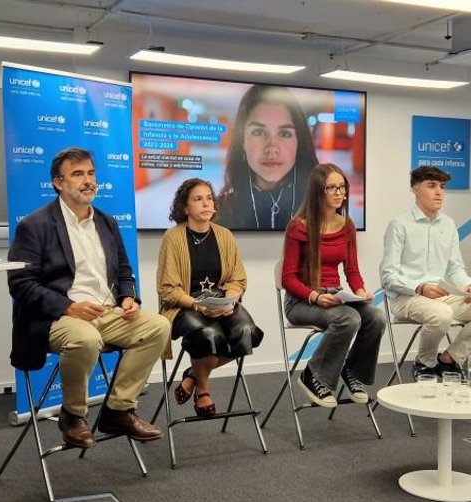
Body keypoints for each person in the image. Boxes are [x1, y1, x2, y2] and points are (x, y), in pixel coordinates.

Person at [8, 147, 169, 449]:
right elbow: (20, 284)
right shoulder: (35, 225)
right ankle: (73, 415)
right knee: (85, 339)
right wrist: (69, 306)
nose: (88, 181)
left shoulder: (106, 222)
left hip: (107, 313)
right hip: (58, 317)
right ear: (59, 183)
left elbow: (123, 271)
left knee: (158, 326)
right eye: (78, 174)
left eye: (91, 173)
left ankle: (118, 410)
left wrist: (127, 298)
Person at [380, 165, 471, 379]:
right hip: (406, 297)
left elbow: (455, 267)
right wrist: (419, 287)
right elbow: (388, 276)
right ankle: (424, 362)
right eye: (432, 186)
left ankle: (449, 359)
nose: (439, 192)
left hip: (441, 297)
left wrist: (467, 285)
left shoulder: (448, 224)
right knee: (442, 315)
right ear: (415, 190)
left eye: (442, 186)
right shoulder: (399, 225)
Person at [157, 178, 264, 417]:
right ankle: (203, 390)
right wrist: (198, 306)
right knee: (209, 335)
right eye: (198, 199)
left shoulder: (224, 235)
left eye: (209, 198)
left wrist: (230, 301)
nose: (206, 203)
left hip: (222, 300)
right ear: (185, 208)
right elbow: (167, 289)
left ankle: (194, 375)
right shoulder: (173, 238)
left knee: (247, 332)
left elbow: (237, 278)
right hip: (186, 305)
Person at [282, 163, 385, 407]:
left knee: (376, 317)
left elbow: (351, 270)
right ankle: (313, 374)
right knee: (349, 319)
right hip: (302, 301)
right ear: (319, 191)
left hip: (337, 297)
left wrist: (360, 291)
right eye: (332, 188)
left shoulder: (346, 225)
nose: (340, 193)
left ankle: (352, 371)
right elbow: (288, 279)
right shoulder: (298, 226)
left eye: (342, 187)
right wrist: (315, 297)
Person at [216, 84, 319, 230]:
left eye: (284, 134)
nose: (272, 148)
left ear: (299, 143)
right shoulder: (219, 213)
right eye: (258, 132)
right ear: (242, 142)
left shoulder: (319, 206)